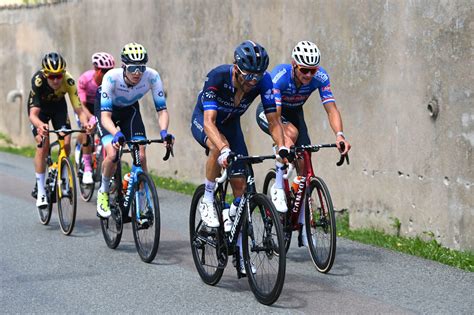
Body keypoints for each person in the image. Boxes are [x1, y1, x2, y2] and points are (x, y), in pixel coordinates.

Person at [190, 40, 288, 273]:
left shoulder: (264, 81)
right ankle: (208, 197)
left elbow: (274, 120)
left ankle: (239, 247)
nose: (252, 81)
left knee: (241, 189)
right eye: (248, 76)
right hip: (205, 122)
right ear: (236, 68)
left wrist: (281, 146)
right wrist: (223, 149)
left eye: (257, 76)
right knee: (217, 148)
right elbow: (209, 122)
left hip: (232, 125)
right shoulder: (217, 77)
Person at [256, 40, 351, 239]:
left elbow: (331, 109)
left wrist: (340, 135)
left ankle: (300, 214)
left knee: (304, 158)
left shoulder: (321, 77)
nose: (308, 75)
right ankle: (279, 186)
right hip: (272, 112)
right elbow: (277, 117)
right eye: (304, 70)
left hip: (295, 112)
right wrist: (283, 144)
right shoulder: (280, 77)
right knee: (289, 135)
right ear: (294, 64)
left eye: (312, 71)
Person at [95, 42, 173, 218]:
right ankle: (104, 191)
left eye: (141, 68)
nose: (137, 73)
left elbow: (162, 110)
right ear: (123, 66)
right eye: (132, 68)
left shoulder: (152, 77)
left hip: (130, 110)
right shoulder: (111, 78)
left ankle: (143, 202)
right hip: (107, 111)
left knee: (142, 154)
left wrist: (164, 132)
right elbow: (105, 118)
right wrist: (117, 133)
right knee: (113, 154)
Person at [28, 52, 92, 208]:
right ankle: (42, 191)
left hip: (58, 109)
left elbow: (79, 110)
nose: (56, 80)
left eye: (59, 76)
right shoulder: (38, 81)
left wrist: (86, 123)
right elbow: (33, 115)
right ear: (45, 74)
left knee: (67, 140)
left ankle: (63, 175)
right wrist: (40, 125)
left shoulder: (68, 81)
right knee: (42, 145)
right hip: (40, 110)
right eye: (51, 76)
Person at [75, 52, 115, 184]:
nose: (107, 73)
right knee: (86, 129)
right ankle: (87, 168)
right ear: (97, 70)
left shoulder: (111, 81)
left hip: (101, 107)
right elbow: (81, 105)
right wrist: (91, 117)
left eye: (110, 70)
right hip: (86, 108)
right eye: (104, 71)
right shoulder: (85, 79)